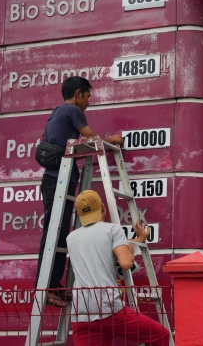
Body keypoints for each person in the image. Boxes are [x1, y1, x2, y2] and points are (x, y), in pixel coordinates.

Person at [35, 76, 123, 307]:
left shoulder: (56, 112)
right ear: (77, 93)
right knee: (54, 234)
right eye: (87, 96)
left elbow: (75, 148)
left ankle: (53, 286)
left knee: (60, 234)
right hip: (58, 181)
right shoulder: (72, 111)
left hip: (56, 180)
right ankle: (46, 288)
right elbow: (93, 141)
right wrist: (111, 140)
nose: (88, 102)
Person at [67, 190, 170, 346]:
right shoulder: (112, 229)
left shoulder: (71, 238)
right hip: (109, 309)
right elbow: (125, 263)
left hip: (82, 313)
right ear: (102, 207)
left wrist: (133, 242)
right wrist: (134, 245)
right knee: (160, 335)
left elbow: (99, 248)